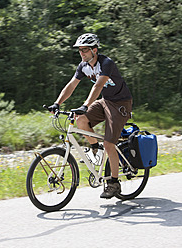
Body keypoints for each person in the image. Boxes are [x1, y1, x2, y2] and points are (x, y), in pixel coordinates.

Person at [48, 33, 133, 199]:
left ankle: (114, 183)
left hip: (120, 104)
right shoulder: (83, 66)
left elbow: (99, 86)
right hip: (105, 101)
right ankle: (96, 147)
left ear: (94, 50)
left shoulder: (106, 63)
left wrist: (85, 105)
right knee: (81, 120)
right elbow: (71, 85)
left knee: (110, 144)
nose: (82, 53)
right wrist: (57, 103)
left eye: (85, 50)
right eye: (80, 50)